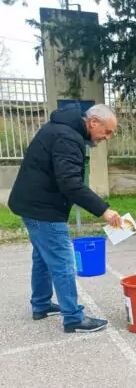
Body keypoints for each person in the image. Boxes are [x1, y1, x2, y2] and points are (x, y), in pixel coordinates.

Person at [8, 103, 122, 333]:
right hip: (43, 209)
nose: (107, 137)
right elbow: (70, 183)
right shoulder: (68, 138)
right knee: (62, 261)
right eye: (107, 131)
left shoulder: (63, 129)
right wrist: (104, 210)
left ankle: (41, 304)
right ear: (93, 123)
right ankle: (73, 318)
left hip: (32, 203)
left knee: (42, 257)